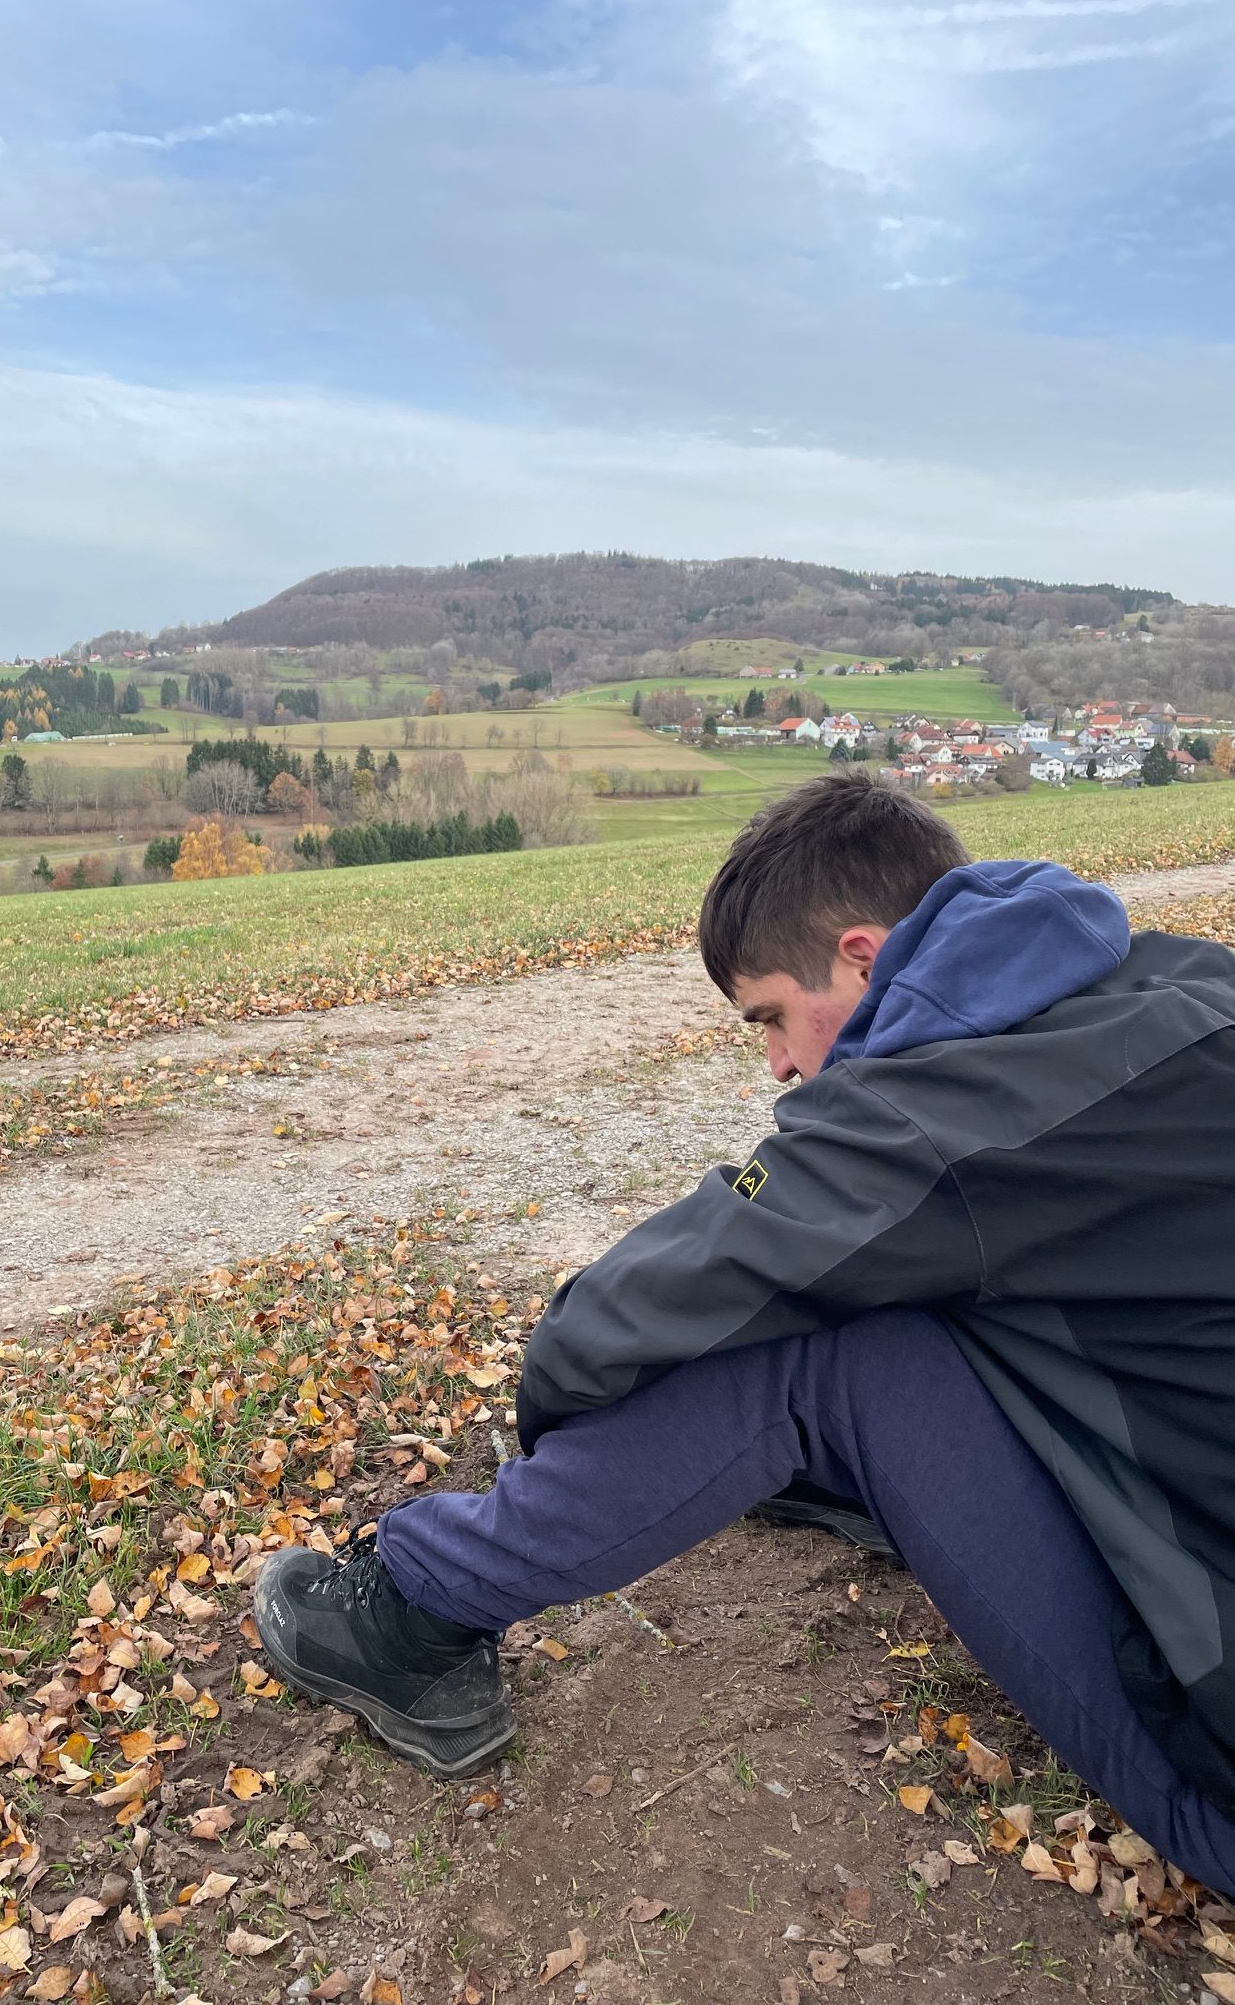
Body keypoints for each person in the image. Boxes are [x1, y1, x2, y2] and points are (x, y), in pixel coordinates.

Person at [256, 772, 1235, 1894]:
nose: (774, 1063)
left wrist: (556, 1411)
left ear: (864, 959)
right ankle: (854, 1479)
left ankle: (414, 1611)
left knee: (821, 1346)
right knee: (898, 1278)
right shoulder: (1191, 985)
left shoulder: (943, 1115)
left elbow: (663, 1297)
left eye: (770, 1015)